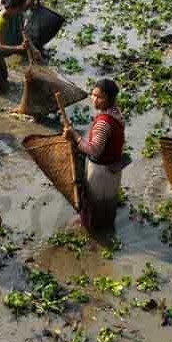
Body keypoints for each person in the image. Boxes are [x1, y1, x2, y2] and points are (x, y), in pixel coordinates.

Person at [64, 79, 125, 231]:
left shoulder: (103, 123)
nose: (94, 99)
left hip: (101, 172)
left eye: (100, 97)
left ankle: (94, 233)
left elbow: (93, 150)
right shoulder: (117, 114)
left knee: (94, 204)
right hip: (114, 168)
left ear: (110, 99)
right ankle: (107, 229)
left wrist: (75, 136)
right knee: (108, 202)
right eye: (93, 95)